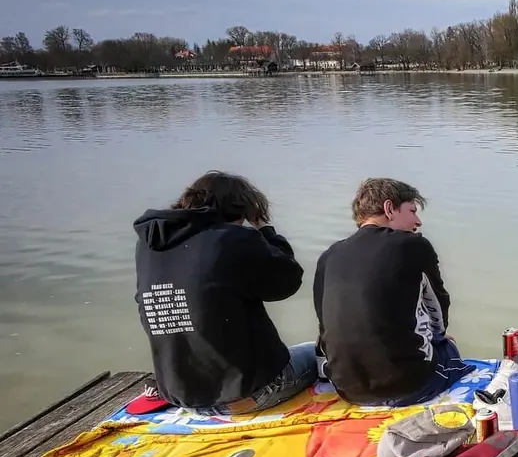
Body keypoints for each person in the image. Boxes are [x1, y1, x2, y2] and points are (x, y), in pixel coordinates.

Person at [133, 171, 316, 415]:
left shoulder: (149, 245)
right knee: (317, 352)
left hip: (185, 399)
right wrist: (265, 230)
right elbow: (288, 280)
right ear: (240, 211)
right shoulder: (233, 239)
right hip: (250, 393)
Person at [314, 178, 473, 406]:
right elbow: (438, 306)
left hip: (348, 390)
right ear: (389, 209)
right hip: (410, 385)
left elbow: (324, 325)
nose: (417, 222)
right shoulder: (413, 245)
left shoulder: (328, 256)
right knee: (447, 347)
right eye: (412, 211)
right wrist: (439, 336)